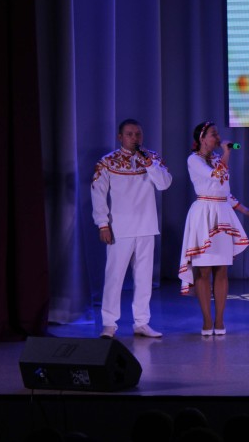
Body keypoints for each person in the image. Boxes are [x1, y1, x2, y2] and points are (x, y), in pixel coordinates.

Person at [178, 121, 249, 335]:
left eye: (217, 134)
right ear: (202, 138)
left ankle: (220, 320)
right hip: (204, 214)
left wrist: (246, 211)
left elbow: (225, 192)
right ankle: (207, 320)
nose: (217, 137)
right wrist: (227, 153)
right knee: (204, 269)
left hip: (222, 213)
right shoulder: (194, 160)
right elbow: (214, 176)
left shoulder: (218, 159)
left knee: (222, 269)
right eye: (213, 134)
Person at [91, 119, 172, 339]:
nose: (134, 138)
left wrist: (149, 164)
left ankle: (142, 322)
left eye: (138, 134)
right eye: (129, 134)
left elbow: (164, 183)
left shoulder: (152, 158)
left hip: (147, 226)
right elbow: (98, 193)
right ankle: (109, 324)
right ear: (120, 137)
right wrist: (103, 224)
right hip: (120, 228)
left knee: (144, 278)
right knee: (114, 277)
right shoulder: (108, 161)